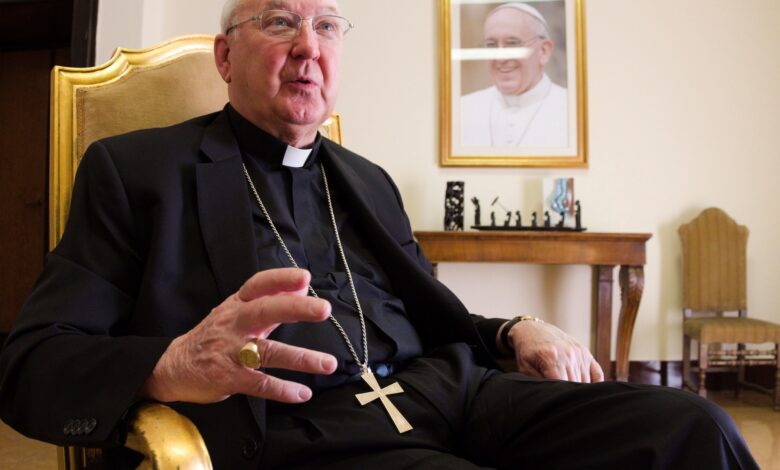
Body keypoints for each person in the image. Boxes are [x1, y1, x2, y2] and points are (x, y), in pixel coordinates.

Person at [0, 0, 758, 468]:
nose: (309, 45)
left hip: (457, 391)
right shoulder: (137, 171)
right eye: (279, 21)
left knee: (692, 428)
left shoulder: (367, 178)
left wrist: (515, 329)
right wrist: (171, 365)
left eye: (327, 25)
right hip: (309, 430)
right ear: (225, 56)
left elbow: (427, 313)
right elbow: (31, 363)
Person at [461, 3, 568, 147]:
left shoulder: (572, 110)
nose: (501, 58)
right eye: (491, 45)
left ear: (543, 51)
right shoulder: (462, 109)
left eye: (512, 44)